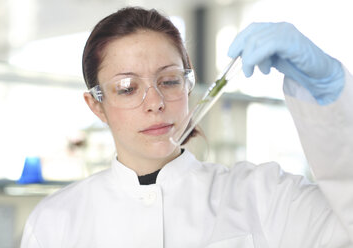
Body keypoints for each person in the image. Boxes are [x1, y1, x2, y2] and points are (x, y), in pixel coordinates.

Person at [20, 7, 353, 248]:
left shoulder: (265, 196)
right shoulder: (55, 223)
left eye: (168, 81)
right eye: (127, 87)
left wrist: (333, 90)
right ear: (97, 105)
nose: (155, 102)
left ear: (189, 86)